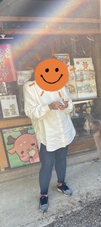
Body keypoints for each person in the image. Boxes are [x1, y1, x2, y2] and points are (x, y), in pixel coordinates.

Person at [23, 71, 76, 213]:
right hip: (48, 132)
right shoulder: (30, 86)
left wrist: (66, 105)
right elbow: (30, 111)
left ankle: (61, 184)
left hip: (63, 129)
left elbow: (69, 102)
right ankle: (44, 194)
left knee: (61, 159)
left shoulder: (58, 81)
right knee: (47, 164)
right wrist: (48, 107)